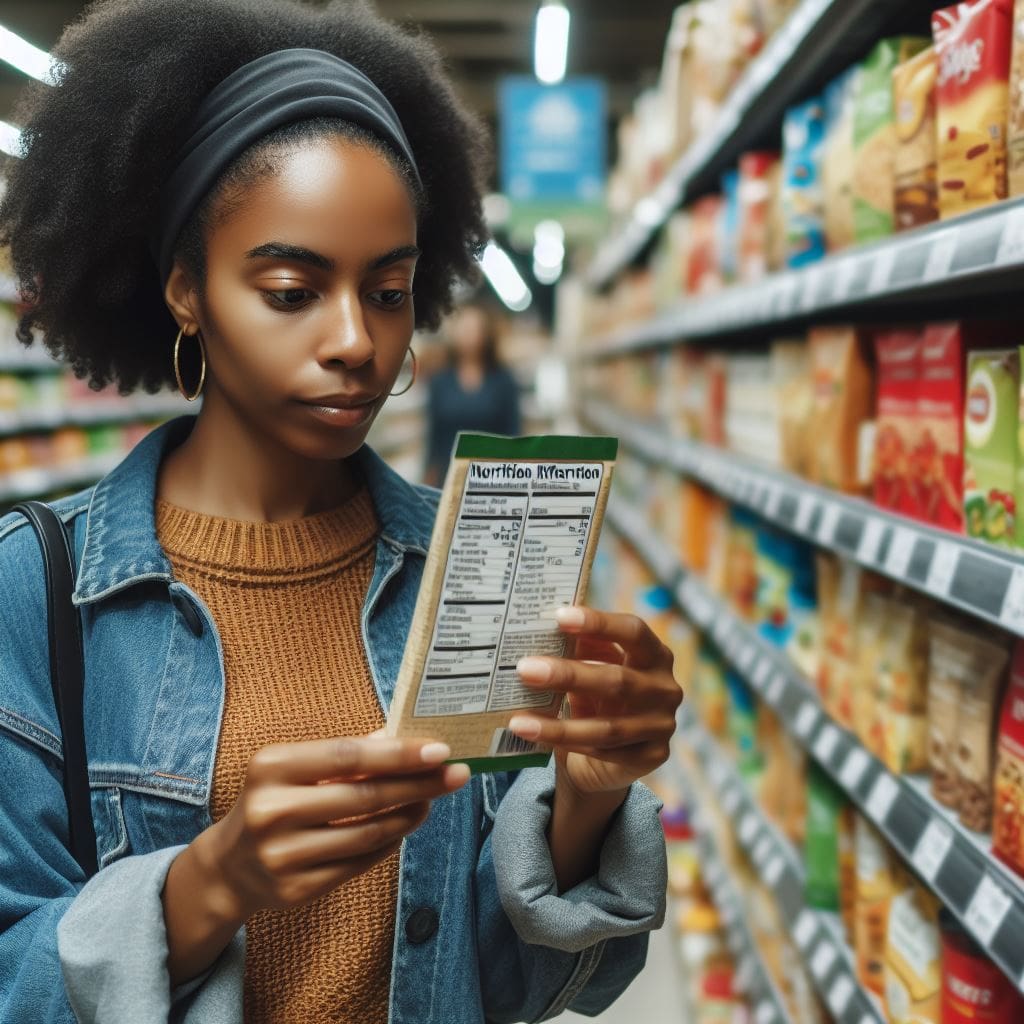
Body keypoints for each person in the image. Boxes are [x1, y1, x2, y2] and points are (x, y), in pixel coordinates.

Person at [0, 2, 682, 1022]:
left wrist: (584, 797)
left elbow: (509, 987)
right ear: (186, 288)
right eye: (290, 290)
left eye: (391, 290)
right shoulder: (34, 591)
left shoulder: (464, 574)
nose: (357, 341)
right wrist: (205, 885)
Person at [423, 302, 521, 487]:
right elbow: (433, 435)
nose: (467, 334)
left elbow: (513, 432)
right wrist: (427, 476)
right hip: (448, 478)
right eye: (463, 327)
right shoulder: (440, 381)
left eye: (474, 328)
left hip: (493, 479)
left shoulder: (504, 381)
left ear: (486, 334)